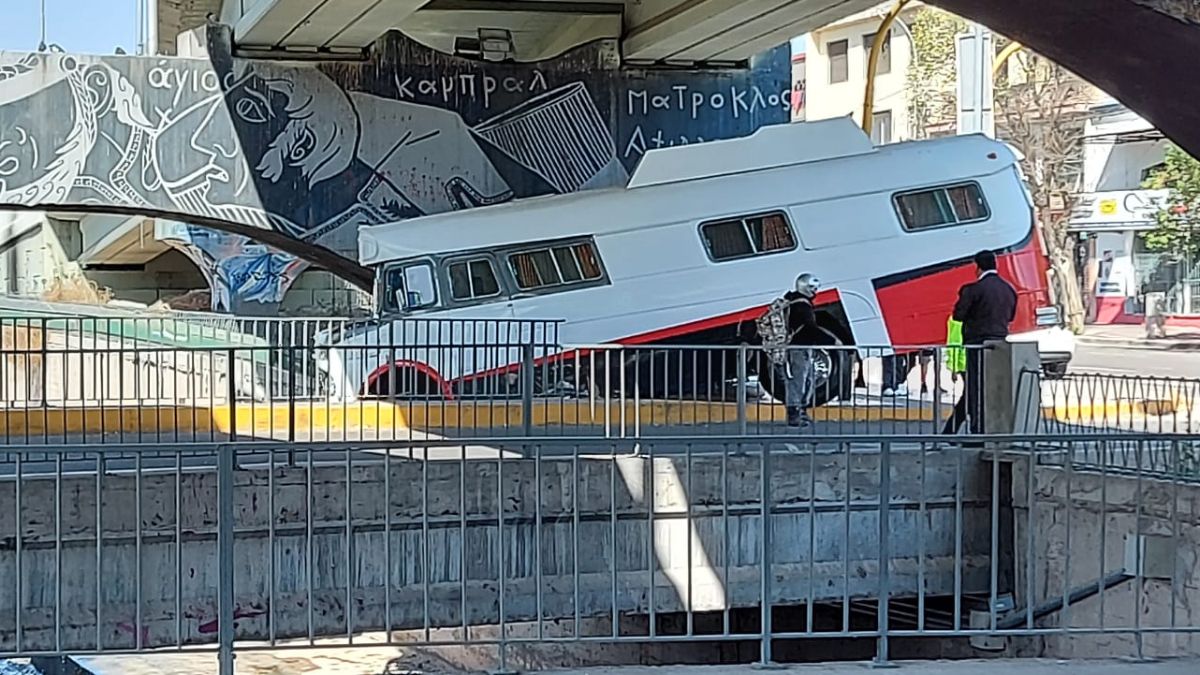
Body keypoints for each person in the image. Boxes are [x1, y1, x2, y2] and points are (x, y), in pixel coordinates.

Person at [942, 250, 1017, 435]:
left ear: (978, 267)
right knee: (983, 389)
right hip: (1000, 345)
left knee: (975, 390)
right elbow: (1011, 316)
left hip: (977, 345)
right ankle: (950, 432)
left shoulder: (973, 290)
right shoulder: (1009, 289)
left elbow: (958, 315)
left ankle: (976, 431)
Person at [758, 273, 823, 427]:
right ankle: (795, 414)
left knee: (804, 379)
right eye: (812, 288)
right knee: (797, 381)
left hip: (797, 348)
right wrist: (831, 341)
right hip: (798, 348)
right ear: (805, 287)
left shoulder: (792, 301)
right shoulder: (801, 305)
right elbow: (809, 327)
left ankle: (799, 411)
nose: (815, 292)